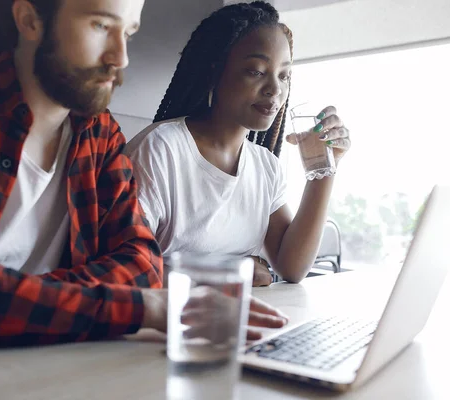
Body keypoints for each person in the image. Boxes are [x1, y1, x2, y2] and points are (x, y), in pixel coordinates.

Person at [0, 0, 287, 345]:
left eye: (128, 33)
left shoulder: (99, 134)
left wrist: (17, 297)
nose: (120, 58)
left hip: (54, 354)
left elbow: (143, 265)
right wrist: (141, 308)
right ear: (30, 21)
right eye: (100, 25)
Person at [125, 1, 351, 287]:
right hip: (165, 326)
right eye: (256, 71)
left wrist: (324, 169)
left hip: (236, 322)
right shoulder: (160, 149)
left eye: (284, 75)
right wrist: (231, 272)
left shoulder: (265, 166)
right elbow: (124, 269)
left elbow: (293, 267)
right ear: (214, 72)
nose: (275, 89)